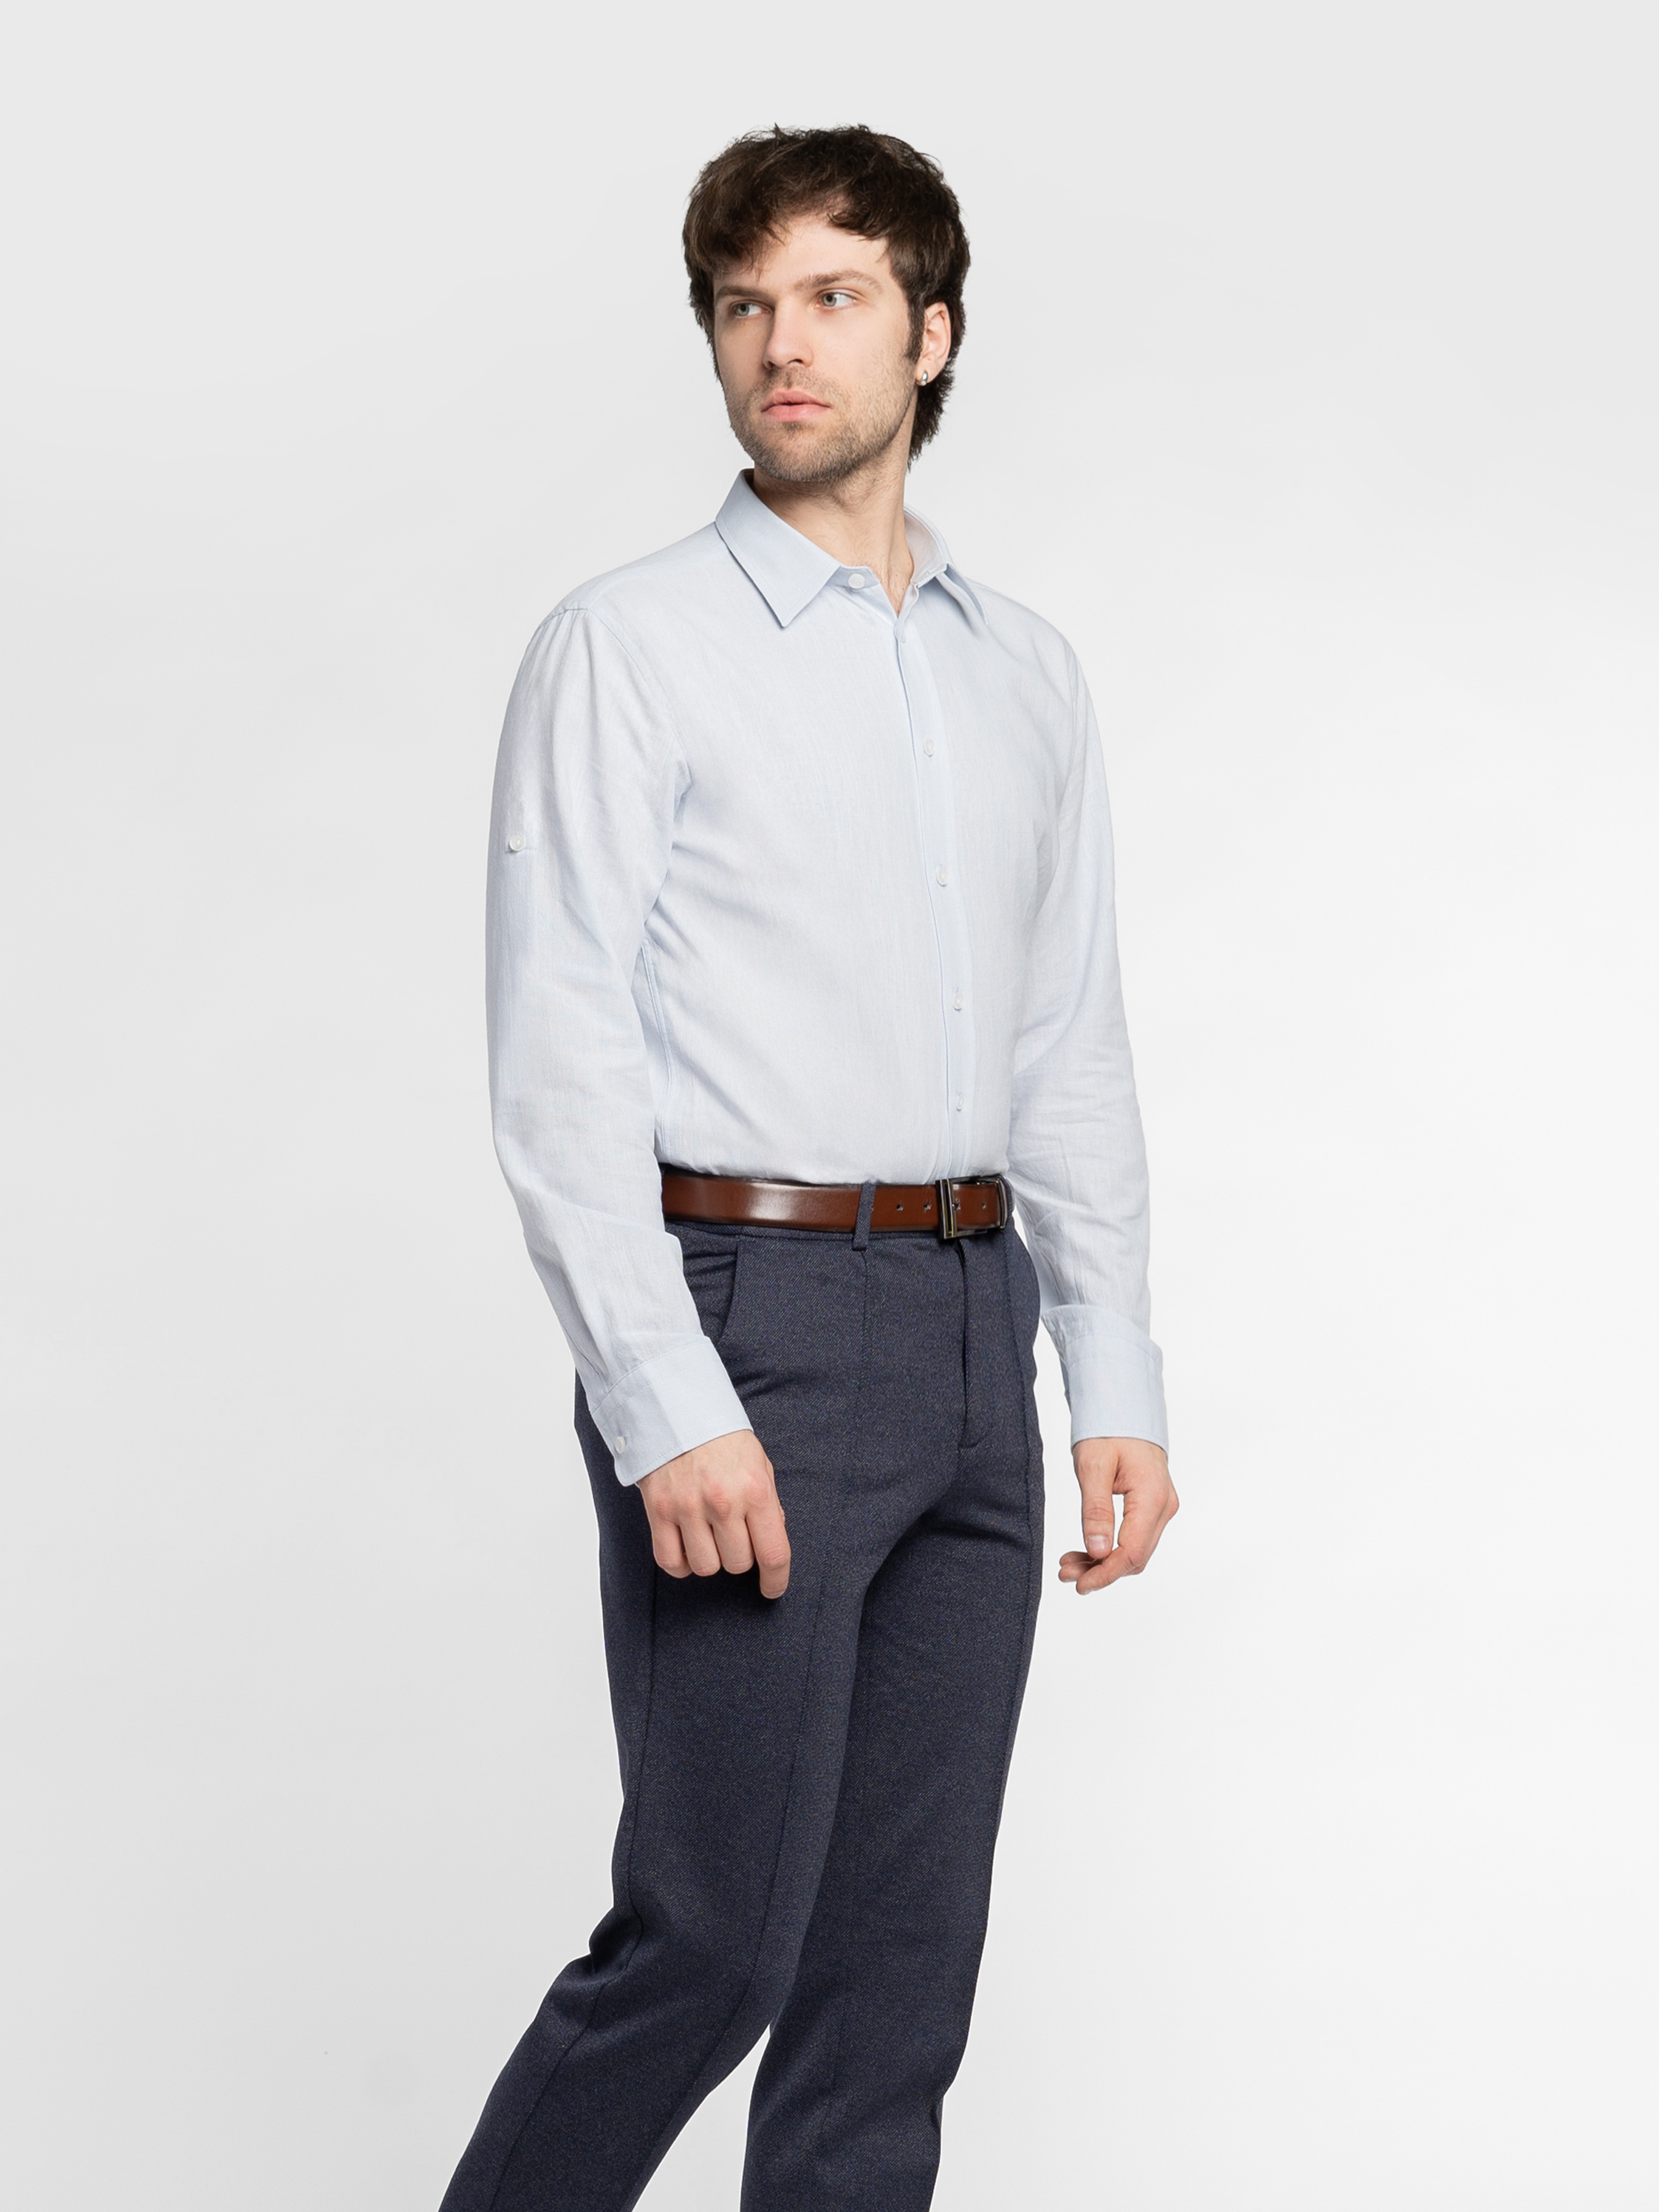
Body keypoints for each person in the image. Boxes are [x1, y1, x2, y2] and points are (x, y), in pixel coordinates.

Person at [441, 123, 1178, 2212]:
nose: (782, 345)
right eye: (743, 307)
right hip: (745, 1320)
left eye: (835, 298)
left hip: (970, 1326)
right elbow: (560, 1051)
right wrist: (660, 1395)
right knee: (710, 1942)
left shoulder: (1023, 672)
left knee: (892, 1985)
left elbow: (1065, 1039)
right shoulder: (629, 645)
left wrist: (1109, 1375)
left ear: (929, 335)